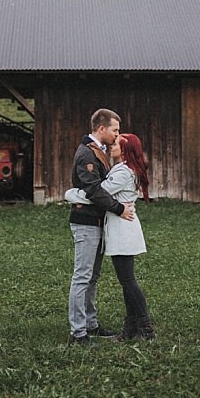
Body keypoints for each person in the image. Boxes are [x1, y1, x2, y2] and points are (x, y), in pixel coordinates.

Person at [67, 133, 154, 340]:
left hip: (122, 229)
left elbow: (99, 193)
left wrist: (71, 194)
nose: (112, 145)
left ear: (124, 151)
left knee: (128, 281)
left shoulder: (124, 172)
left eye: (116, 143)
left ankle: (145, 328)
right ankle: (132, 328)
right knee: (127, 281)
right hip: (120, 227)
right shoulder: (123, 169)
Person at [67, 108, 135, 346]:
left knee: (93, 276)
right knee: (82, 276)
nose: (117, 135)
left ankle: (91, 324)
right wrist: (118, 209)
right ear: (102, 128)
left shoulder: (100, 151)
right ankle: (78, 333)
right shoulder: (87, 153)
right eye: (115, 130)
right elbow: (94, 190)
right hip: (85, 222)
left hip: (97, 223)